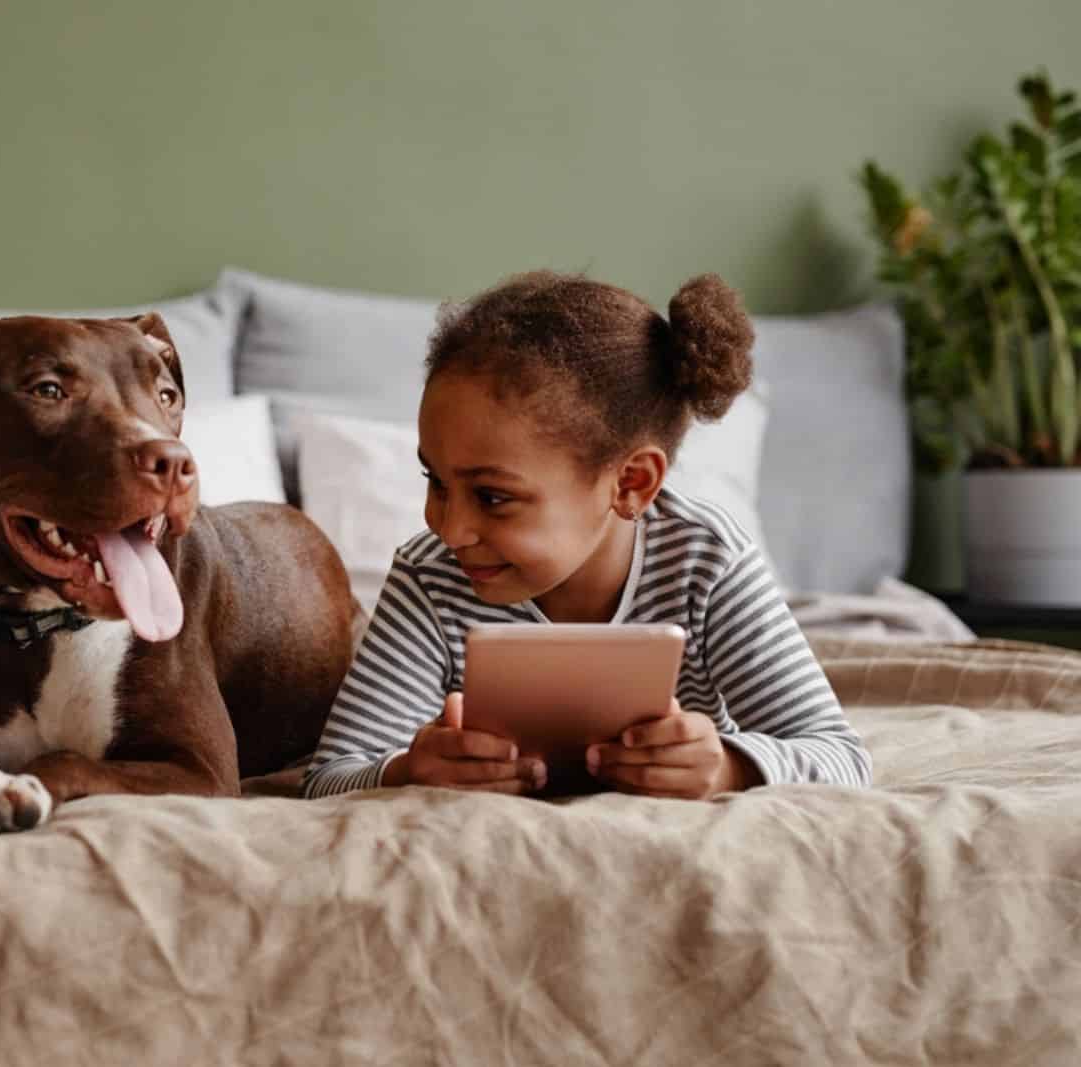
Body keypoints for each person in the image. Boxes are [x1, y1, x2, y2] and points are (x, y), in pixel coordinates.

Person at [302, 270, 872, 801]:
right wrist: (406, 771)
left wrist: (729, 766)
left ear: (631, 482)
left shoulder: (706, 562)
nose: (448, 529)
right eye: (436, 481)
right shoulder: (429, 579)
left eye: (493, 497)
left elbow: (841, 756)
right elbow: (327, 778)